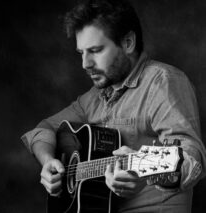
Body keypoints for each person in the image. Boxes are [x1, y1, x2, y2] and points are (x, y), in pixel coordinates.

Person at [21, 0, 206, 212]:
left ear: (128, 43)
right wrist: (47, 162)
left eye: (96, 50)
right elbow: (43, 129)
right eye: (82, 53)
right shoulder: (92, 99)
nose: (85, 64)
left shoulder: (163, 82)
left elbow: (192, 156)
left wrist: (144, 173)